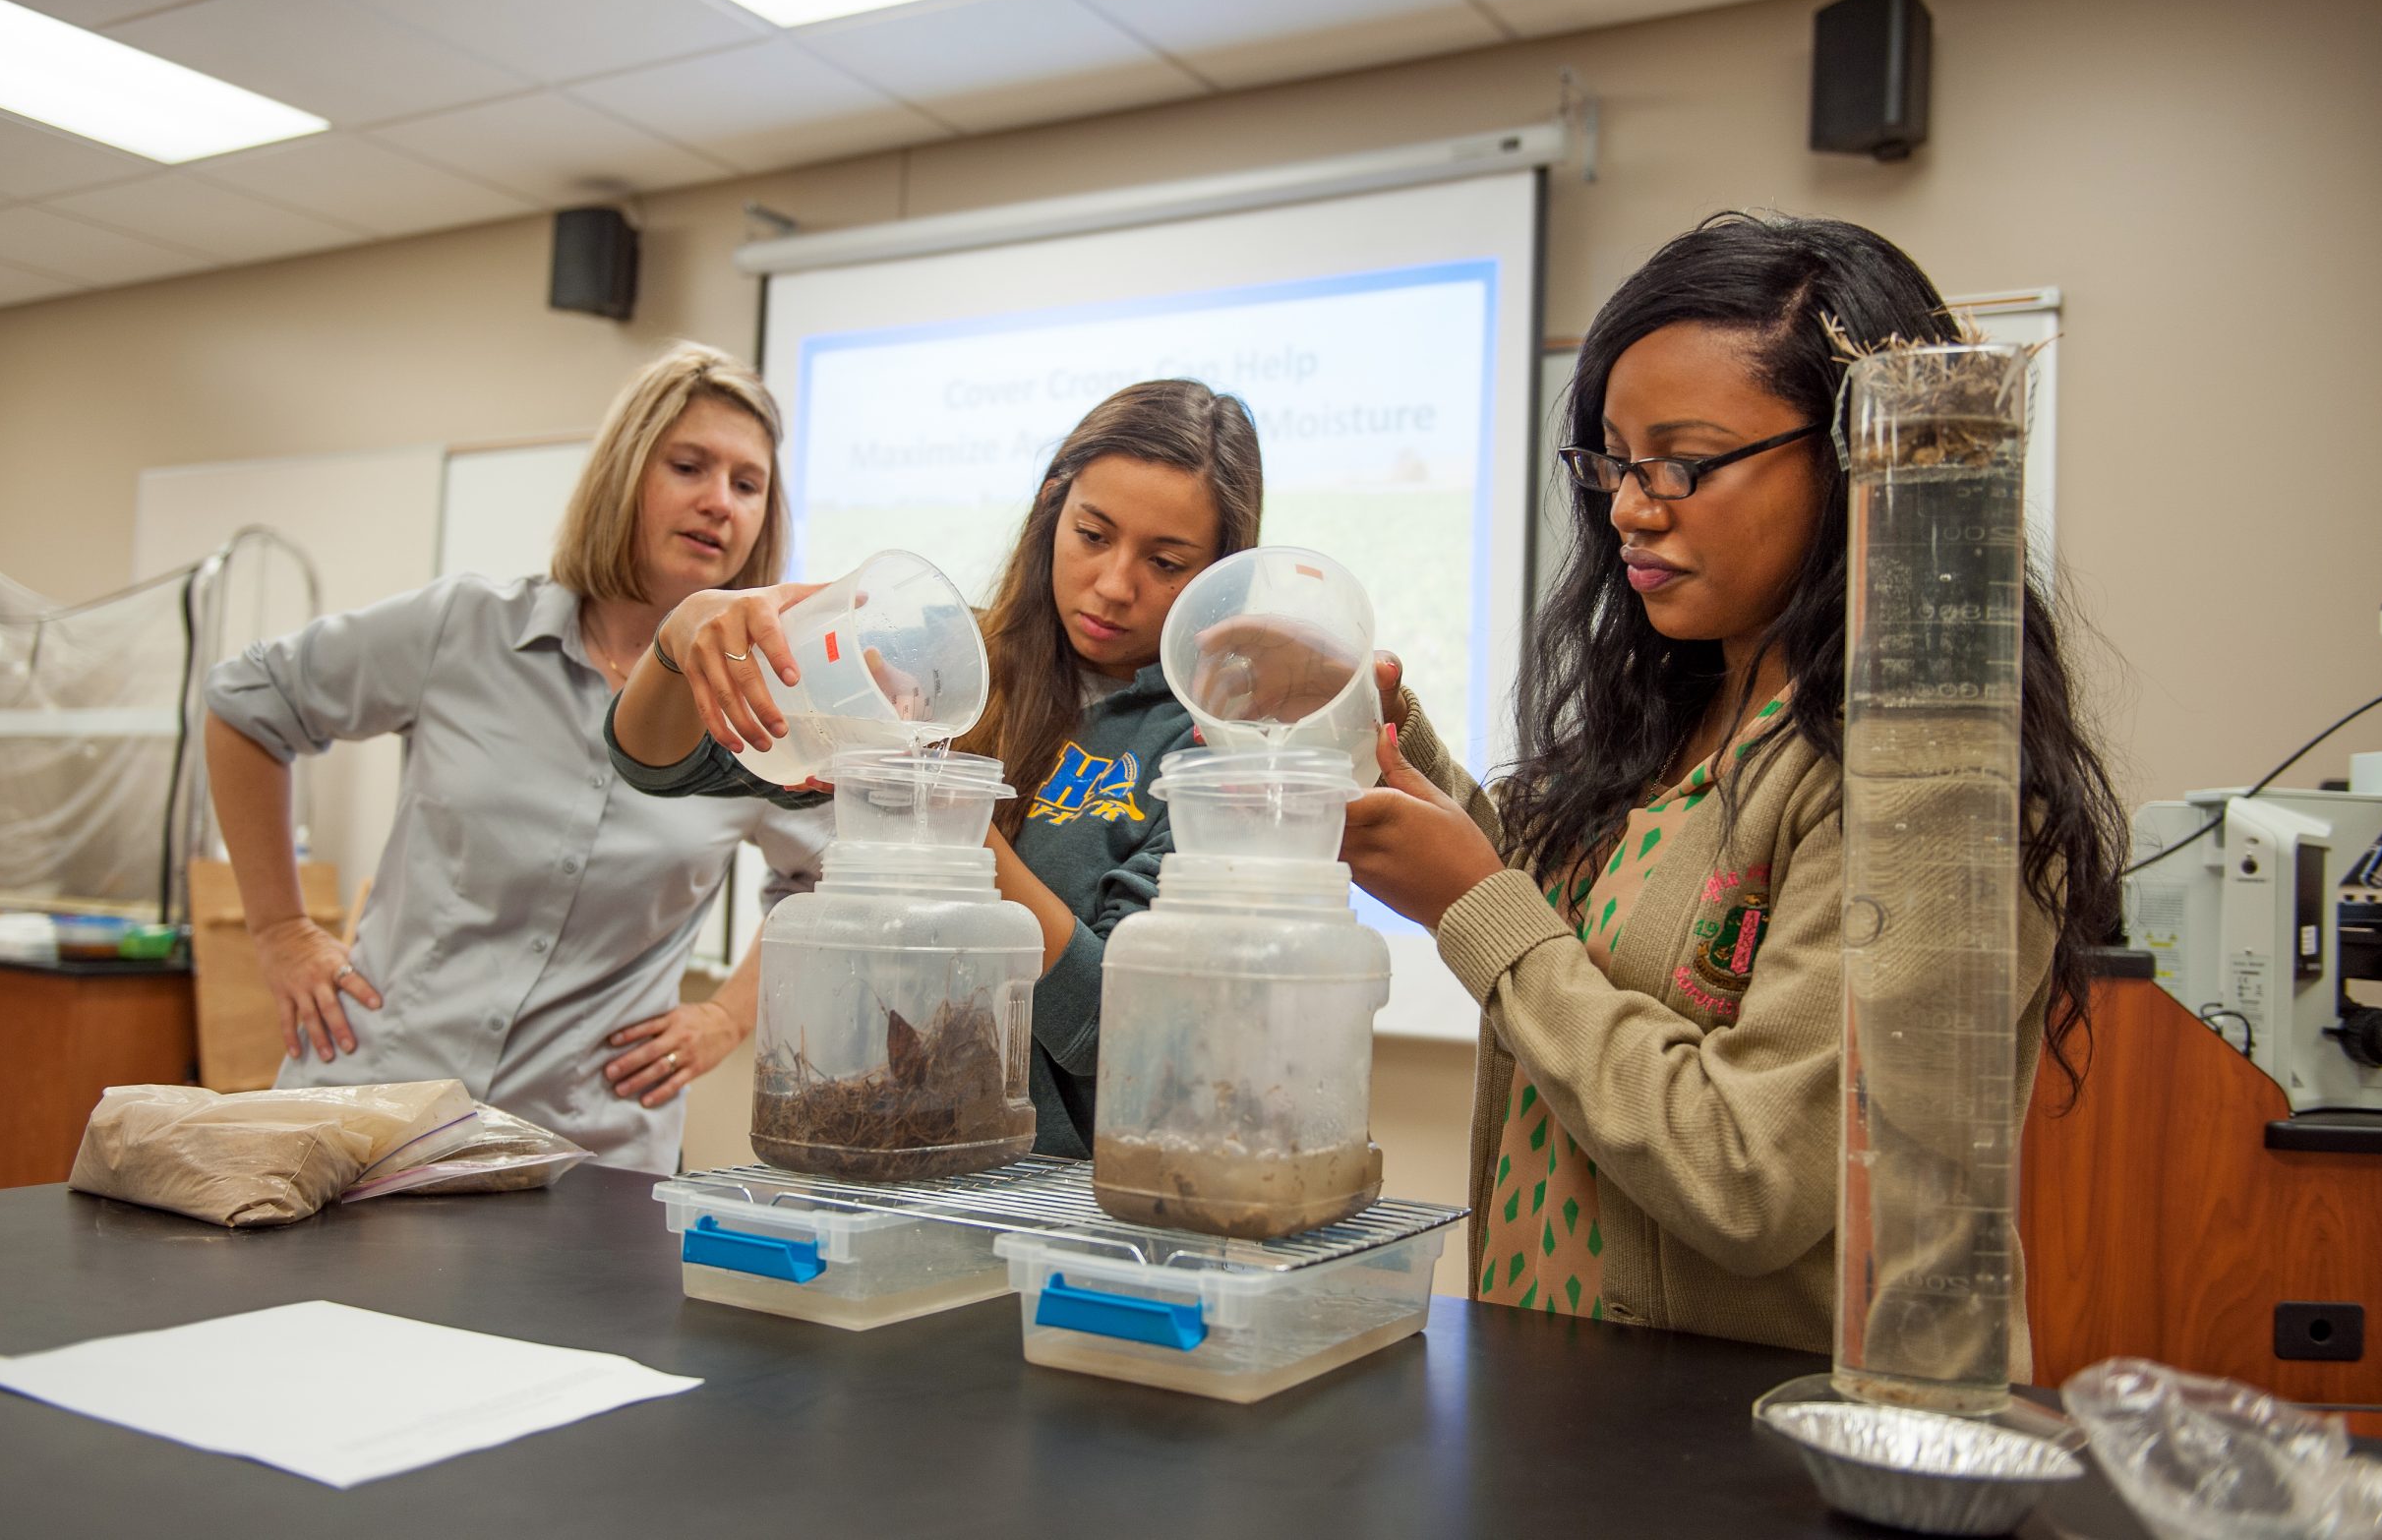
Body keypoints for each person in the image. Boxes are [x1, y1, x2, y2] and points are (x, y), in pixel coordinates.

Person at [1339, 212, 2125, 1362]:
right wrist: (1393, 750)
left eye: (1684, 461)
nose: (1628, 507)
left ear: (1858, 455)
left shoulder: (1929, 775)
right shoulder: (1685, 710)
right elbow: (1597, 940)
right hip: (1570, 1399)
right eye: (1610, 458)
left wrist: (1474, 910)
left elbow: (1750, 1174)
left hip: (1754, 1440)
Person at [203, 344, 829, 1171]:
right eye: (688, 466)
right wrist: (282, 930)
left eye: (747, 485)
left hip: (580, 1154)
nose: (720, 502)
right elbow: (248, 702)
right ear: (624, 476)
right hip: (370, 1113)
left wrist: (724, 1016)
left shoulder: (761, 709)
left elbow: (826, 882)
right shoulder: (462, 629)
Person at [606, 380, 1265, 1155]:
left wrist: (939, 803)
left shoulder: (1208, 750)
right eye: (1093, 534)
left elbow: (1102, 1025)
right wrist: (681, 641)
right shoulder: (950, 661)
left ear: (1221, 571)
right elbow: (661, 766)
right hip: (871, 1151)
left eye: (1165, 561)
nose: (1116, 585)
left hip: (1049, 1203)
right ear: (1054, 505)